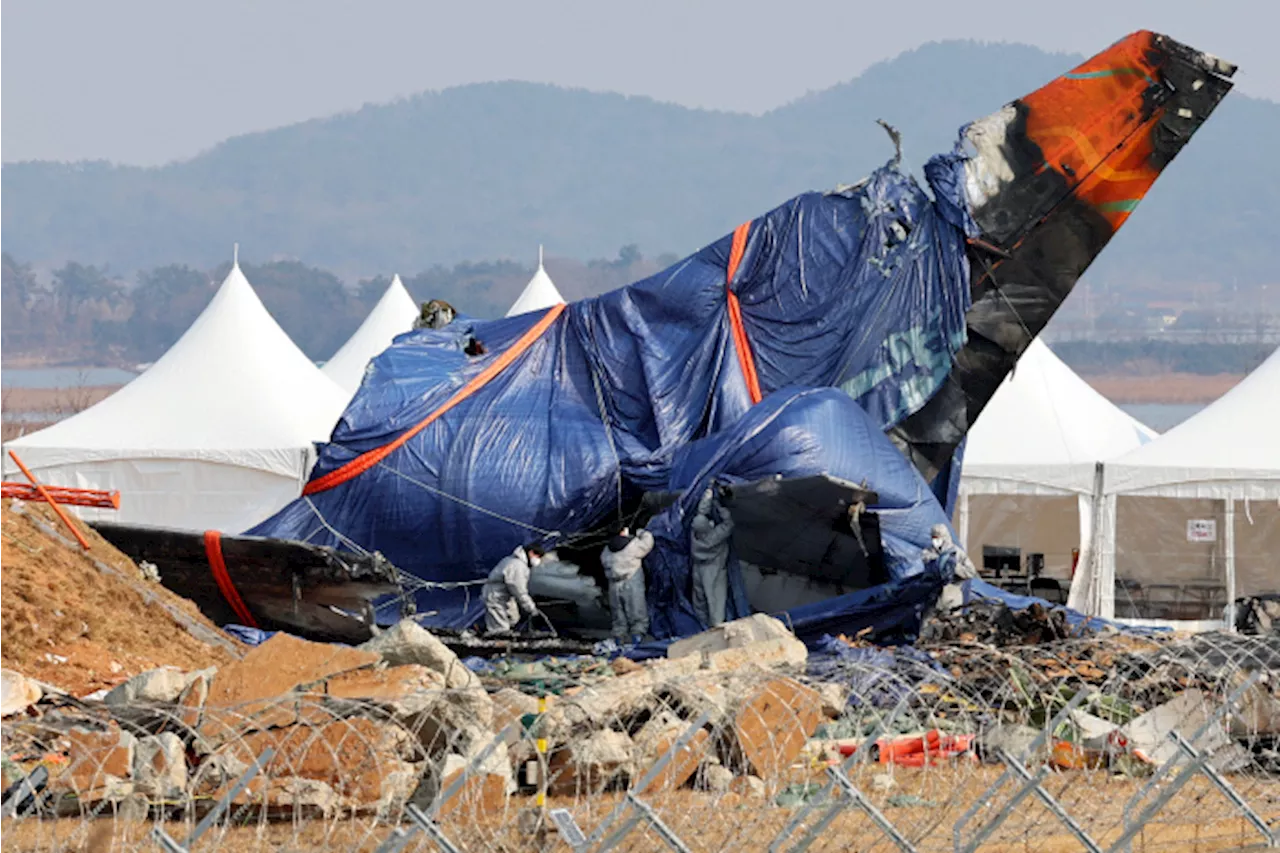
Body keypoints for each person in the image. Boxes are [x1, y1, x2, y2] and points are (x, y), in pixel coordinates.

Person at [600, 526, 653, 644]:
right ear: (623, 531)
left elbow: (604, 562)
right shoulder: (632, 545)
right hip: (631, 582)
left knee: (618, 614)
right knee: (637, 611)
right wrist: (641, 532)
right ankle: (637, 639)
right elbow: (648, 543)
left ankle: (619, 639)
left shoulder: (607, 549)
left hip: (614, 585)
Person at [690, 487, 734, 627]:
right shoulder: (713, 536)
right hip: (712, 570)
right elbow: (729, 524)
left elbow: (700, 514)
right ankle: (716, 628)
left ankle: (702, 626)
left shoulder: (694, 536)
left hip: (698, 569)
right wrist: (719, 506)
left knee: (699, 600)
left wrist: (708, 492)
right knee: (715, 601)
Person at [482, 543, 544, 634]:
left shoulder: (513, 561)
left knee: (513, 618)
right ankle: (497, 642)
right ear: (530, 553)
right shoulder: (517, 565)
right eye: (537, 556)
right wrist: (532, 609)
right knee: (500, 628)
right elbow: (519, 591)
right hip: (495, 597)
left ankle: (498, 634)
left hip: (503, 595)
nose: (538, 559)